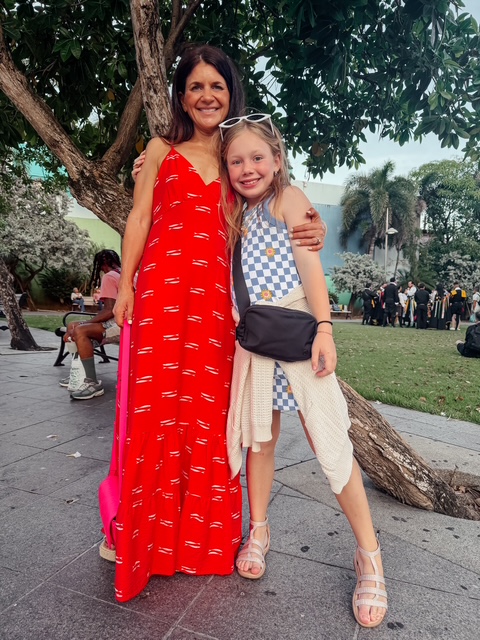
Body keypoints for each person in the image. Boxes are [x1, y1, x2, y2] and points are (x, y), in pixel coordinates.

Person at [110, 45, 327, 603]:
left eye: (217, 86)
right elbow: (139, 217)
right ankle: (146, 541)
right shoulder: (159, 149)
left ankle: (199, 545)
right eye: (196, 87)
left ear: (231, 94)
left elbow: (282, 204)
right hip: (161, 297)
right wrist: (126, 285)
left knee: (209, 419)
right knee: (156, 413)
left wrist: (314, 225)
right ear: (181, 97)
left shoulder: (239, 160)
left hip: (216, 308)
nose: (207, 96)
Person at [220, 115, 387, 628]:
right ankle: (259, 529)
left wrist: (325, 329)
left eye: (257, 157)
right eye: (236, 161)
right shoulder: (235, 213)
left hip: (299, 335)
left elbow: (311, 266)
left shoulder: (288, 200)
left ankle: (369, 555)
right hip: (255, 345)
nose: (247, 169)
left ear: (277, 160)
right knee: (260, 440)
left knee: (330, 442)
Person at [61, 250, 121, 399]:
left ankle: (92, 383)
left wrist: (84, 324)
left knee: (79, 330)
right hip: (129, 322)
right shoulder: (129, 274)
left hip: (119, 325)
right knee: (73, 325)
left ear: (102, 264)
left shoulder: (109, 276)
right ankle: (78, 373)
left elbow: (109, 311)